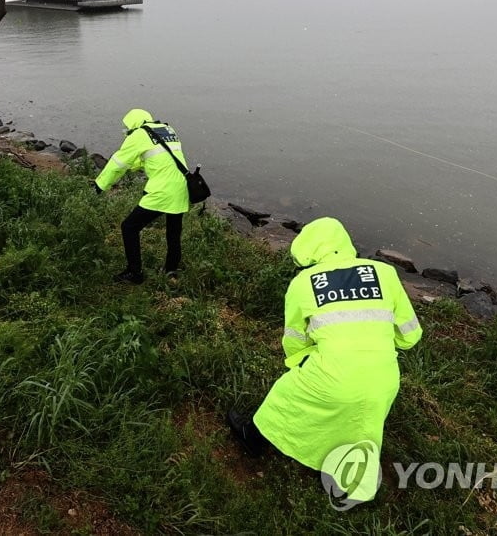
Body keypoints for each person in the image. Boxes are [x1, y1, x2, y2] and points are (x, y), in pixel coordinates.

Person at [227, 217, 422, 505]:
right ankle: (352, 486)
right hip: (384, 379)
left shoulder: (303, 283)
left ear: (307, 249)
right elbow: (410, 336)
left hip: (332, 376)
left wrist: (302, 363)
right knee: (363, 427)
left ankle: (252, 440)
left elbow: (294, 340)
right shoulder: (385, 273)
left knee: (285, 397)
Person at [93, 108, 188, 284]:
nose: (126, 130)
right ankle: (171, 271)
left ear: (133, 124)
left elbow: (117, 164)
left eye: (127, 127)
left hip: (162, 191)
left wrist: (99, 186)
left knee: (129, 227)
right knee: (173, 232)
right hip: (182, 187)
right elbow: (154, 158)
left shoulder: (138, 135)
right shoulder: (167, 129)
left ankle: (134, 273)